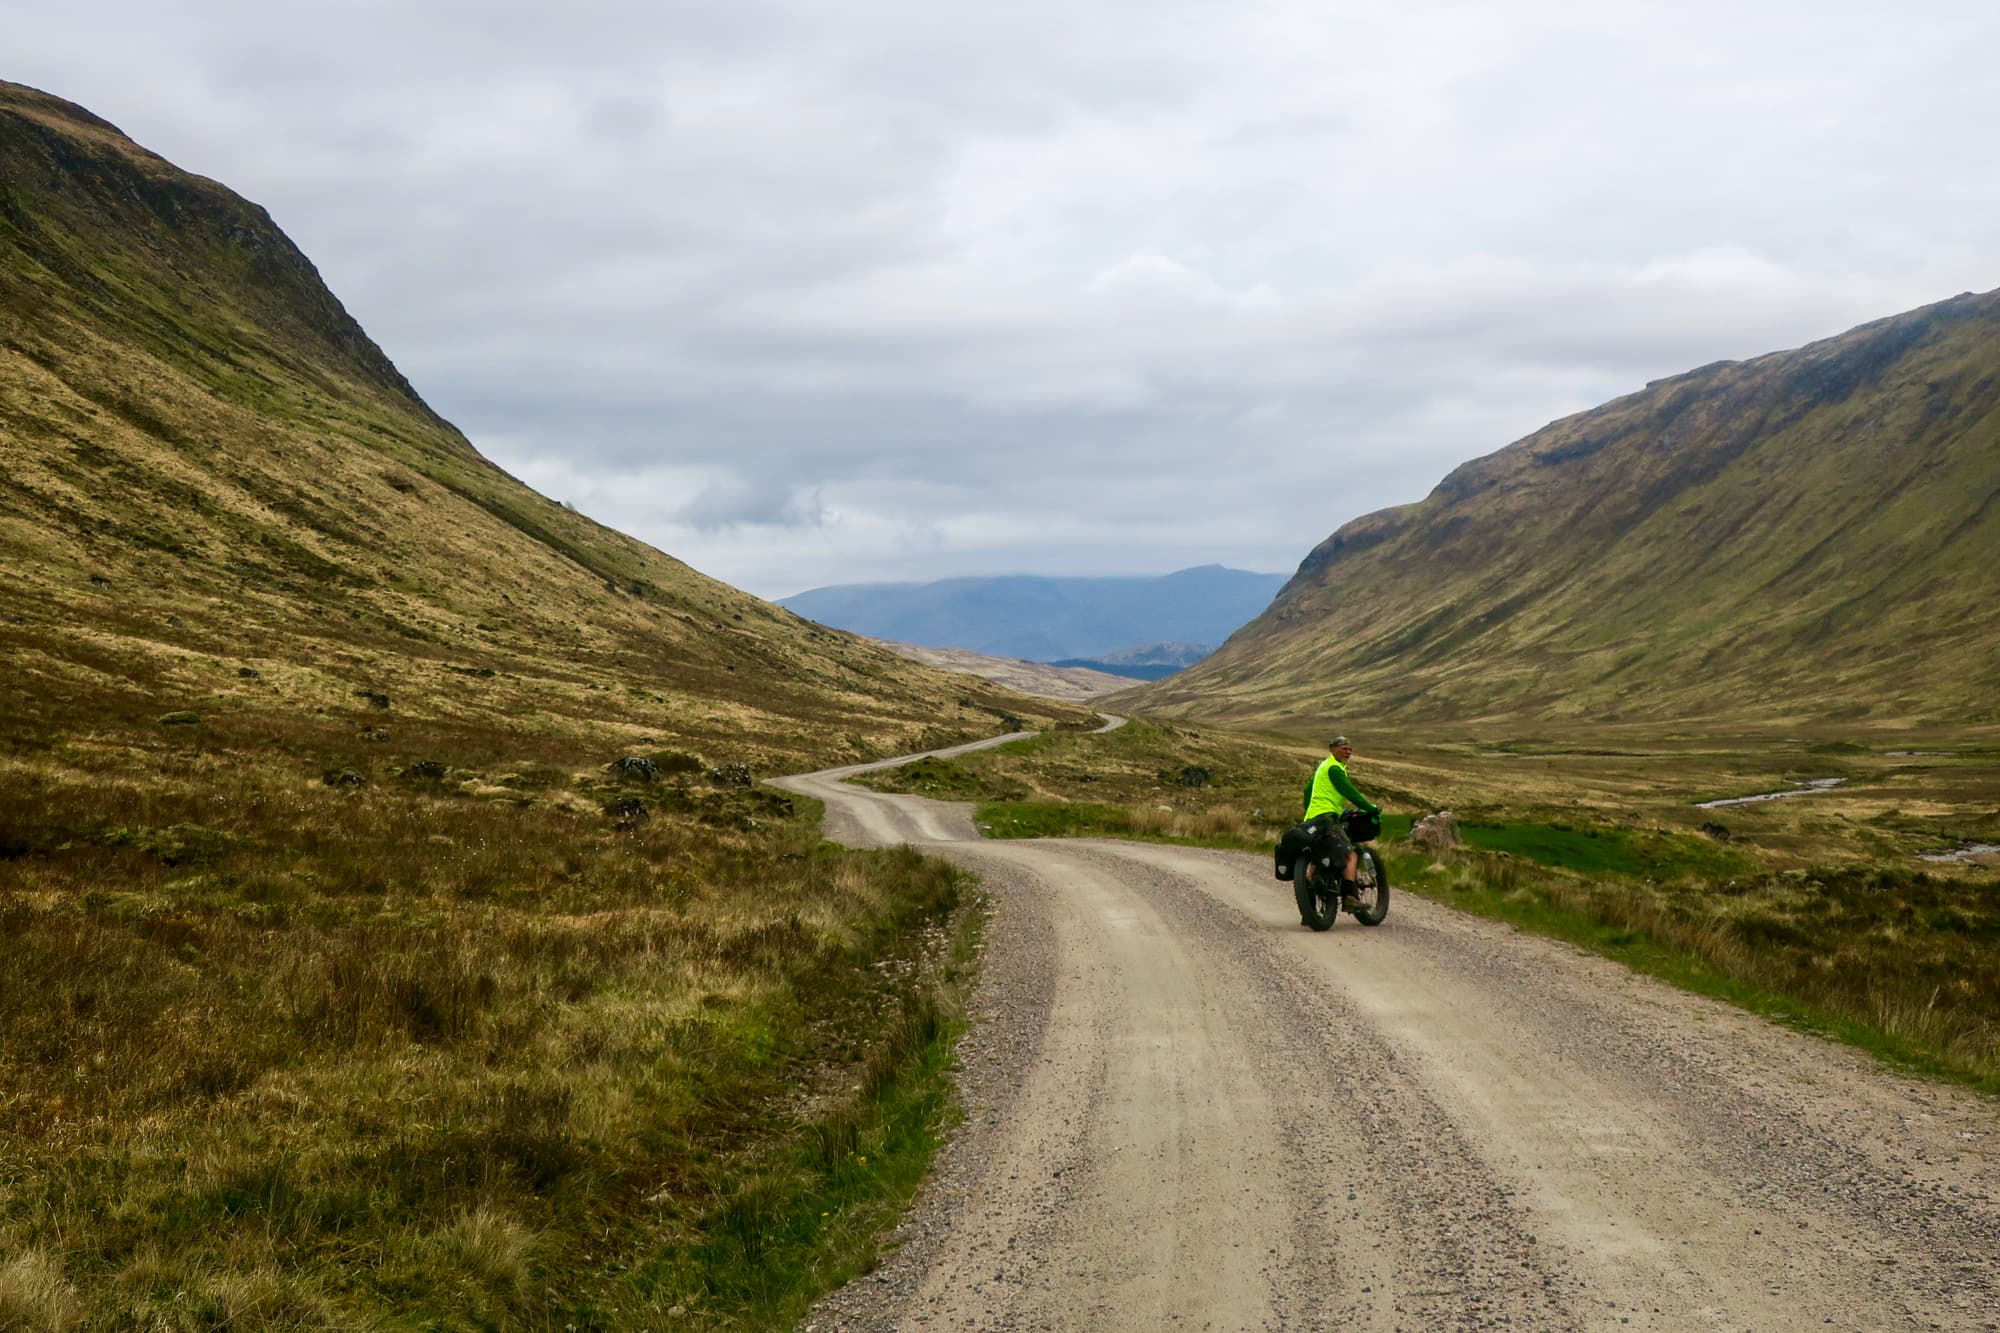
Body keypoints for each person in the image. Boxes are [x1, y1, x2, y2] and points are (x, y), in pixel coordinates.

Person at [1301, 735, 1381, 905]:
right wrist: (1370, 808)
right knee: (1350, 853)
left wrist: (1309, 809)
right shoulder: (1334, 768)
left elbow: (1308, 790)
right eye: (1344, 748)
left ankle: (1308, 896)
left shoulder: (1323, 767)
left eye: (1350, 749)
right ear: (1332, 749)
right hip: (1327, 817)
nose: (1348, 752)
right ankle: (1349, 897)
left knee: (1319, 852)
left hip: (1311, 817)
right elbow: (1350, 792)